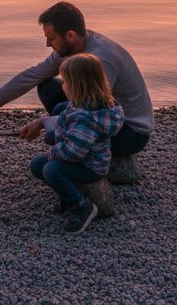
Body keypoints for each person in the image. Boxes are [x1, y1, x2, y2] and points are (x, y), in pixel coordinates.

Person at [0, 2, 152, 170]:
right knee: (46, 86)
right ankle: (74, 145)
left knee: (49, 145)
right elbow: (32, 75)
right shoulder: (72, 47)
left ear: (69, 35)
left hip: (130, 133)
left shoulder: (101, 60)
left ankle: (84, 158)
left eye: (51, 38)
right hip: (100, 114)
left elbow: (92, 114)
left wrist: (46, 124)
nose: (47, 44)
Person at [29, 53, 124, 233]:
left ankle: (82, 207)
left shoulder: (85, 118)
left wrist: (52, 151)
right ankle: (67, 192)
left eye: (65, 82)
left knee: (51, 169)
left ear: (77, 85)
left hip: (90, 166)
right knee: (36, 166)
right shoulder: (80, 104)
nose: (63, 86)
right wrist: (50, 131)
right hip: (79, 157)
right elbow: (67, 129)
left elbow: (73, 153)